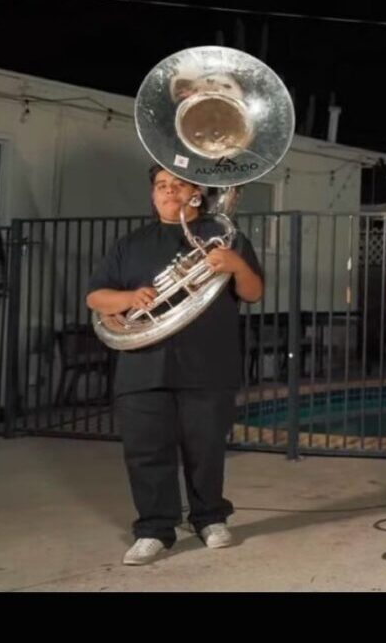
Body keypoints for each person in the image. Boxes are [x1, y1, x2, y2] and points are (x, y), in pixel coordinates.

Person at [86, 165, 263, 565]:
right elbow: (95, 297)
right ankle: (154, 529)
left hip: (207, 362)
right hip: (142, 366)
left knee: (206, 447)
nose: (169, 191)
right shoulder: (130, 244)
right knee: (146, 451)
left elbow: (253, 293)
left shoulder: (225, 239)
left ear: (196, 193)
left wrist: (235, 265)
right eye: (161, 186)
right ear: (153, 196)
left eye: (178, 184)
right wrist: (129, 298)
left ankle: (210, 518)